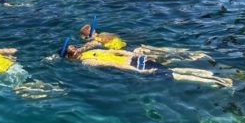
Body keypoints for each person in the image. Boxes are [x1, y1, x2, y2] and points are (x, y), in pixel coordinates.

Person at [61, 44, 232, 87]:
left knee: (174, 75)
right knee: (172, 70)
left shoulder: (86, 61)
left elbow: (112, 64)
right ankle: (210, 75)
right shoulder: (93, 50)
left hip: (135, 66)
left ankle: (216, 82)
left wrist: (136, 71)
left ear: (70, 58)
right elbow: (118, 53)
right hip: (137, 59)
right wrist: (135, 55)